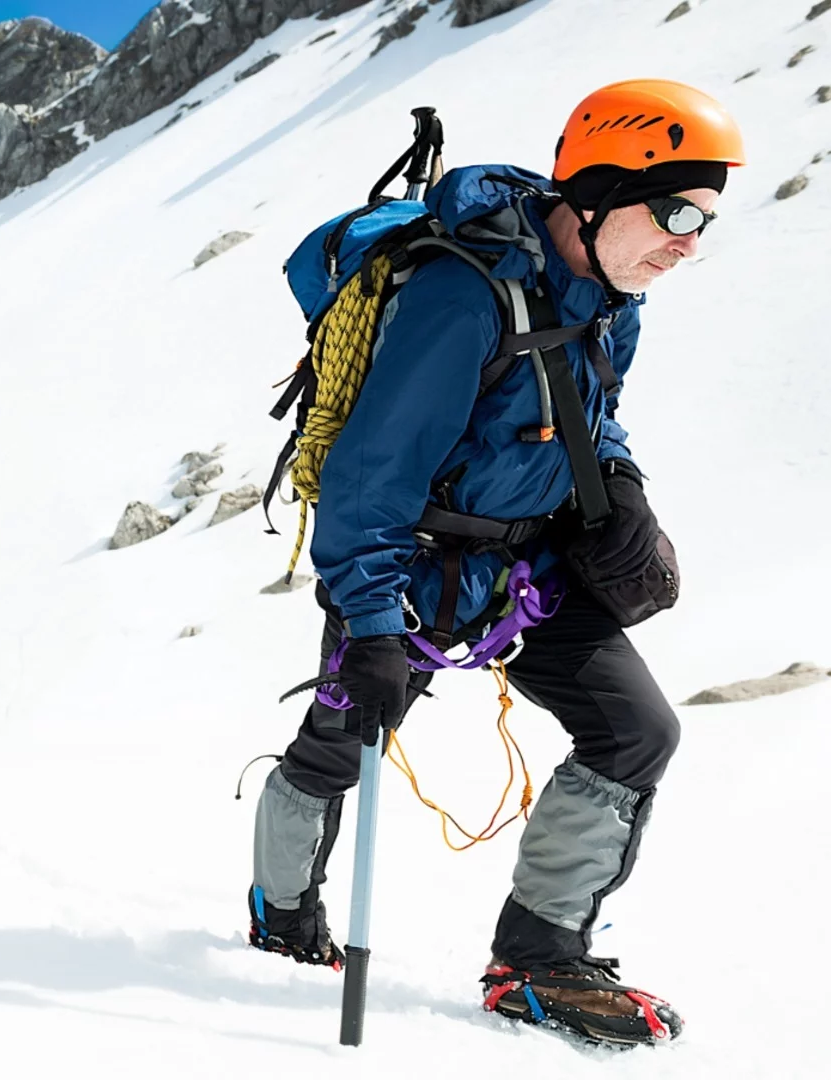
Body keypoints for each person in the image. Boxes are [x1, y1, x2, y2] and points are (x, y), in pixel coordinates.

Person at [245, 80, 742, 1044]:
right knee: (340, 744)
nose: (689, 241)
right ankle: (283, 910)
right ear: (598, 191)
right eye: (677, 211)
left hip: (532, 570)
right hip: (410, 571)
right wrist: (377, 629)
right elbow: (367, 482)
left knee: (637, 732)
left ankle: (538, 959)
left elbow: (595, 413)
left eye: (705, 222)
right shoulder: (460, 295)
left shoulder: (613, 295)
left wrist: (620, 487)